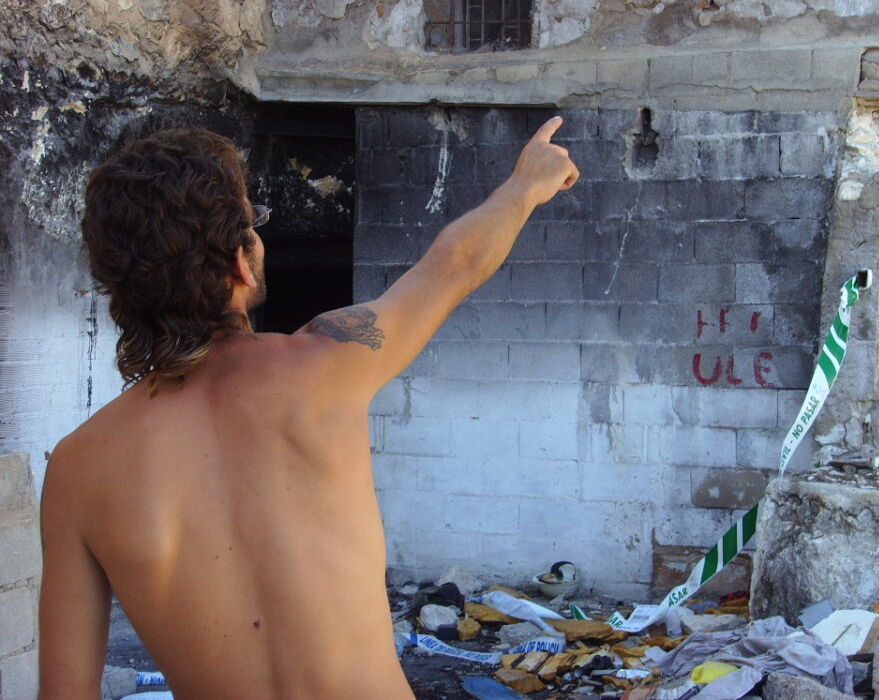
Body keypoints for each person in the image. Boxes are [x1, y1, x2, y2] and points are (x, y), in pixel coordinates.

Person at [38, 117, 579, 699]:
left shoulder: (77, 467)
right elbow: (454, 264)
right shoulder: (327, 362)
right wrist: (526, 184)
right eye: (255, 223)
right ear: (240, 263)